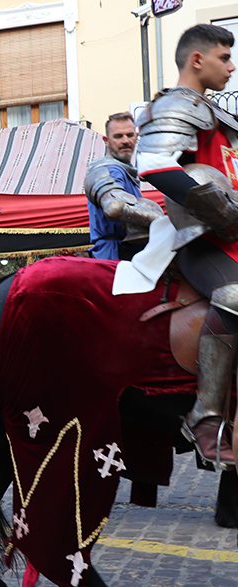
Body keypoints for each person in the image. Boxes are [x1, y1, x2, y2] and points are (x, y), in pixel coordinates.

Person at [134, 24, 238, 466]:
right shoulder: (175, 106)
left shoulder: (220, 115)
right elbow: (154, 166)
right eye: (223, 58)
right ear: (197, 60)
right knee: (236, 298)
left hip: (232, 237)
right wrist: (221, 208)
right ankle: (205, 416)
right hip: (201, 241)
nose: (231, 67)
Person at [84, 112, 163, 260]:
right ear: (106, 140)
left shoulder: (124, 171)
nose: (126, 141)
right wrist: (162, 222)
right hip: (116, 255)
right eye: (118, 136)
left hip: (126, 252)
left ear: (136, 136)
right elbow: (114, 206)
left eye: (130, 135)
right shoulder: (111, 169)